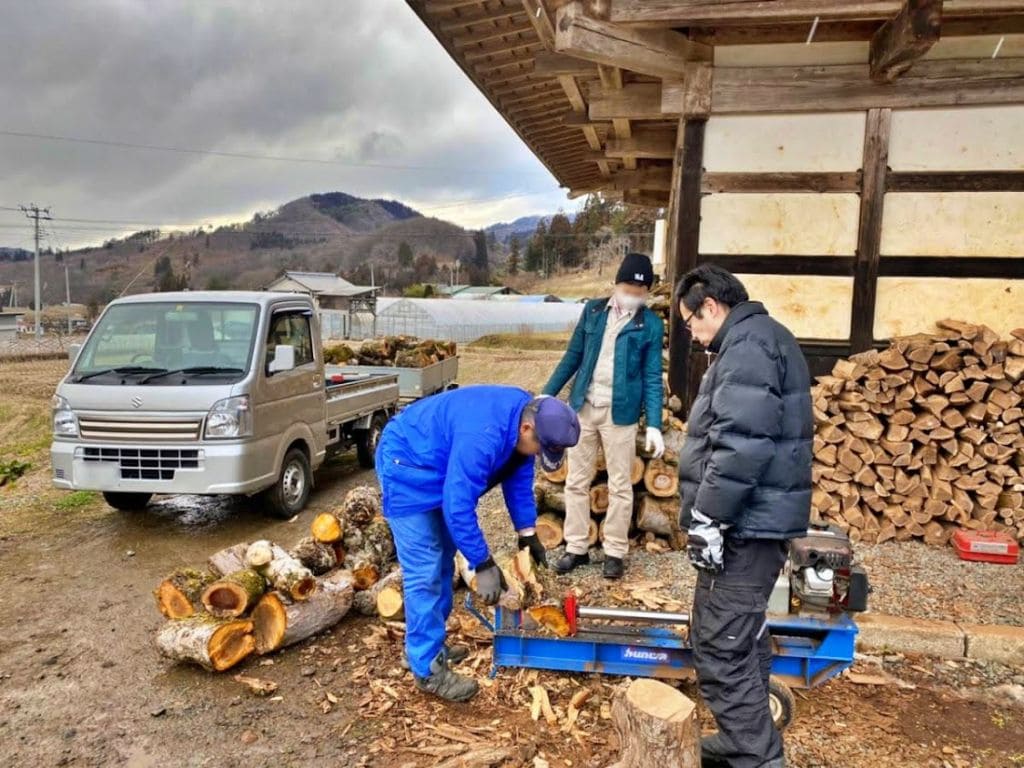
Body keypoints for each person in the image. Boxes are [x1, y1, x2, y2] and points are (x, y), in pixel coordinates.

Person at [674, 264, 813, 768]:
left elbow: (741, 444)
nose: (691, 333)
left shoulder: (748, 347)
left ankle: (757, 757)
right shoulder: (760, 338)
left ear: (710, 306)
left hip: (744, 526)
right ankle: (743, 742)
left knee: (719, 644)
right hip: (754, 522)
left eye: (690, 321)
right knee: (743, 634)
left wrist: (709, 517)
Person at [376, 386, 580, 702]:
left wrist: (527, 532)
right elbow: (458, 505)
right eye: (540, 448)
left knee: (443, 559)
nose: (539, 455)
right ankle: (426, 669)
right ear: (527, 428)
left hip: (437, 465)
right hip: (407, 465)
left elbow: (517, 475)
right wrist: (483, 563)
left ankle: (432, 646)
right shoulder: (483, 437)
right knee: (425, 570)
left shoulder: (523, 418)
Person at [542, 252, 664, 580]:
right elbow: (573, 356)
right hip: (584, 406)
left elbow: (653, 376)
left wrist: (654, 423)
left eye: (641, 293)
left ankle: (614, 551)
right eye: (629, 289)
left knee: (621, 484)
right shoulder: (593, 312)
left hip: (620, 413)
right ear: (617, 285)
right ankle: (577, 547)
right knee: (577, 480)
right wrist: (547, 393)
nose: (634, 296)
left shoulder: (651, 324)